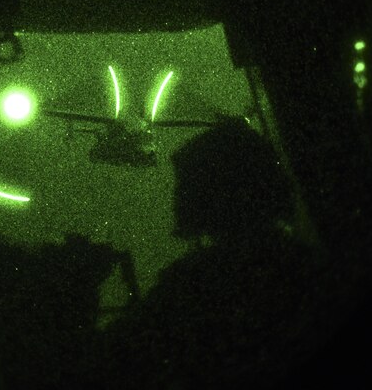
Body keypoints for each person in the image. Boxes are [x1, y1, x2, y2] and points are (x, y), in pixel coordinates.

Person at [99, 117, 321, 389]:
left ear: (210, 192)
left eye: (187, 182)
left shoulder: (196, 283)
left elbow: (118, 354)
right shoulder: (308, 266)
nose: (178, 193)